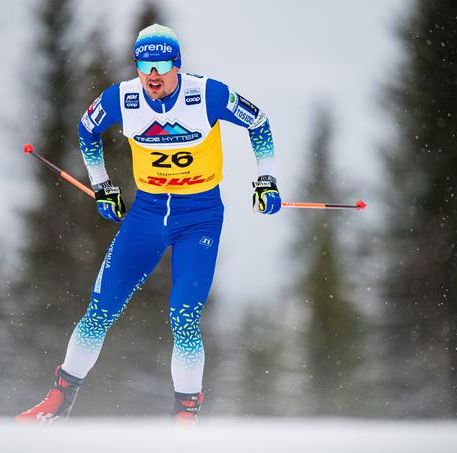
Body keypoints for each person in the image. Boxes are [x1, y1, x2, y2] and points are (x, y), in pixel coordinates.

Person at [17, 23, 281, 424]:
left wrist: (266, 179)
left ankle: (185, 416)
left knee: (184, 316)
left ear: (177, 64)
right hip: (148, 214)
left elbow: (258, 122)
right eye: (144, 63)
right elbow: (87, 130)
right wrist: (103, 185)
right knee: (100, 308)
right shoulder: (122, 98)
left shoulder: (206, 94)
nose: (152, 74)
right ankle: (58, 401)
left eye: (161, 64)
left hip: (200, 217)